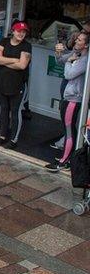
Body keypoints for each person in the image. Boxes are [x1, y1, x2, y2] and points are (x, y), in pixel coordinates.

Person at [47, 32, 88, 171]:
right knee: (69, 129)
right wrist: (58, 53)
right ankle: (69, 158)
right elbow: (60, 61)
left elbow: (68, 74)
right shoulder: (76, 54)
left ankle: (64, 161)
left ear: (86, 45)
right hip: (69, 97)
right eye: (77, 39)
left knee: (69, 130)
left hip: (74, 99)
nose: (76, 41)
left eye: (80, 40)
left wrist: (70, 61)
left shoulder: (84, 60)